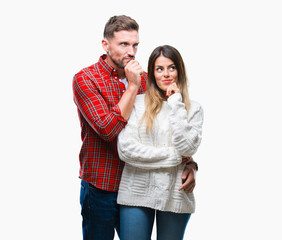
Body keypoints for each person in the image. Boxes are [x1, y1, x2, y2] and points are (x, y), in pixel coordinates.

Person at [73, 15, 198, 240]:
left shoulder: (149, 80)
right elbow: (107, 130)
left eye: (135, 45)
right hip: (102, 185)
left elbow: (168, 131)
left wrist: (190, 163)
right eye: (123, 44)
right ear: (105, 45)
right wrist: (132, 86)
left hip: (138, 186)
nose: (131, 51)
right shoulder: (86, 79)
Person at [117, 45, 204, 240]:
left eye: (171, 68)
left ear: (179, 71)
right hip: (136, 192)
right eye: (159, 69)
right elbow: (126, 150)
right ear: (152, 73)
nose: (166, 74)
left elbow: (188, 147)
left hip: (175, 193)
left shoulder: (193, 109)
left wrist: (175, 102)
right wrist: (176, 158)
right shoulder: (137, 103)